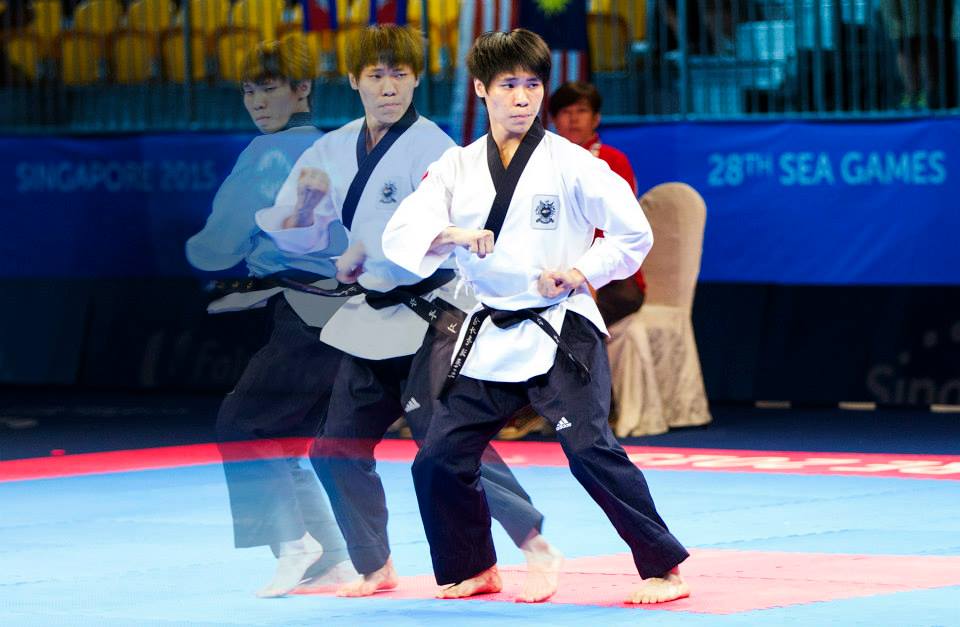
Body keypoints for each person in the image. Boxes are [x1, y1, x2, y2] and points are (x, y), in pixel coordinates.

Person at [382, 28, 691, 604]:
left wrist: (579, 271)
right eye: (508, 85)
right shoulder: (455, 166)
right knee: (438, 459)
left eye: (532, 85)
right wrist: (450, 235)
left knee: (589, 449)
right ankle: (474, 566)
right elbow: (400, 235)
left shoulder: (572, 163)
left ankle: (663, 568)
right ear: (481, 89)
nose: (522, 97)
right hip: (490, 328)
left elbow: (634, 233)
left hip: (560, 324)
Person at [256, 24, 560, 602]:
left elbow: (444, 233)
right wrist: (306, 218)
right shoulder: (329, 149)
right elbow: (292, 232)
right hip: (370, 318)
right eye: (376, 75)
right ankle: (376, 564)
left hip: (434, 314)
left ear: (417, 80)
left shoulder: (435, 150)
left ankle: (535, 544)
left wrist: (364, 254)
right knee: (336, 449)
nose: (389, 87)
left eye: (400, 74)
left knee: (446, 442)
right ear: (354, 81)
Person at [185, 38, 354, 599]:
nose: (257, 102)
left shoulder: (269, 151)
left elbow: (218, 244)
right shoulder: (337, 145)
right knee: (282, 439)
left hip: (305, 309)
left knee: (241, 425)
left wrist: (203, 250)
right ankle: (333, 558)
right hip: (347, 311)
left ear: (302, 89)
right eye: (248, 90)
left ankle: (293, 543)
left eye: (269, 88)